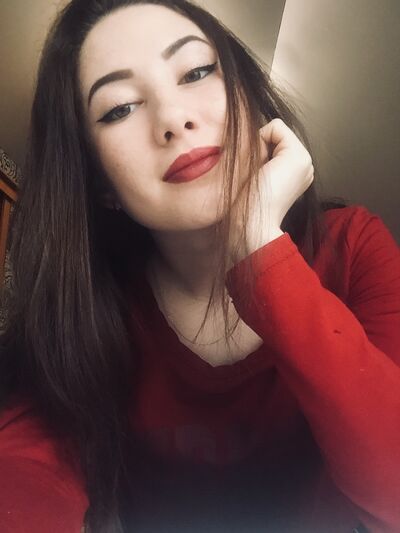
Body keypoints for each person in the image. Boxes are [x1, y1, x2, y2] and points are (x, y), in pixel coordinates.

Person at [0, 0, 399, 531]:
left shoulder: (353, 246)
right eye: (119, 109)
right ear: (100, 184)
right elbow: (24, 476)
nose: (173, 119)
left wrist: (259, 250)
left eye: (195, 72)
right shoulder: (89, 306)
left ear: (248, 98)